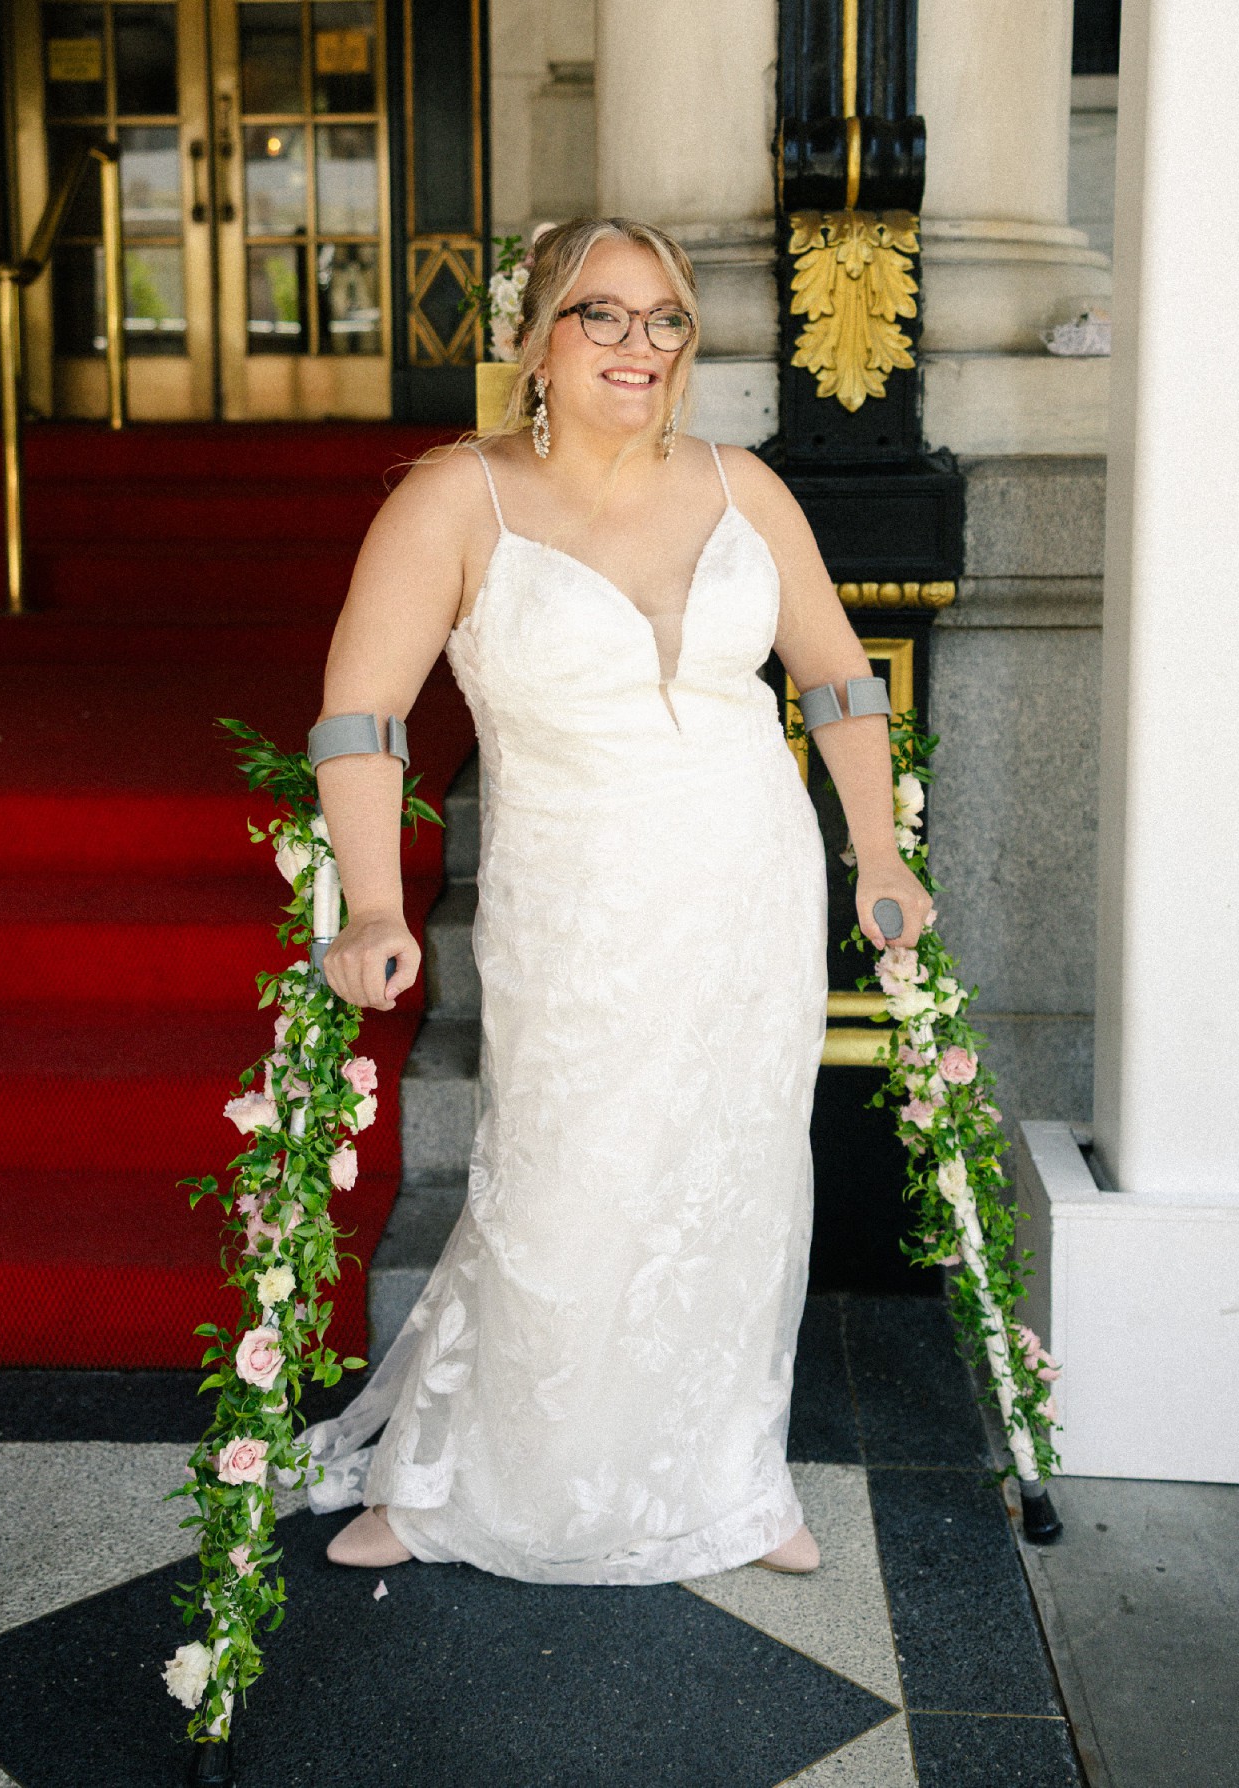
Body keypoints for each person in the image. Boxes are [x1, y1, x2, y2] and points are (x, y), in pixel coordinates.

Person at [300, 216, 933, 1583]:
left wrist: (879, 855)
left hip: (749, 887)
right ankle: (451, 1482)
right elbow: (361, 716)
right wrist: (372, 906)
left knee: (738, 1179)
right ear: (538, 338)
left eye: (666, 319)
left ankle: (733, 1479)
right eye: (603, 313)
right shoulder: (455, 498)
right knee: (563, 1186)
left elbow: (836, 680)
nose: (639, 344)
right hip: (578, 902)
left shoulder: (743, 487)